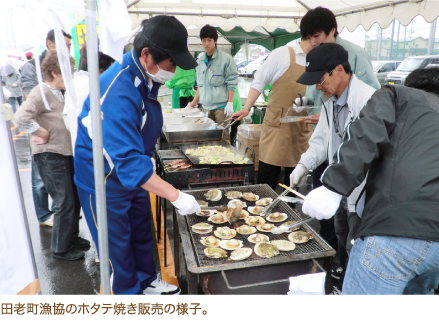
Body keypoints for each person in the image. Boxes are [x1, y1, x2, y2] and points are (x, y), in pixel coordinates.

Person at [74, 15, 201, 295]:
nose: (175, 69)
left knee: (142, 230)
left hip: (132, 170)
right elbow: (129, 164)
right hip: (104, 178)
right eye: (172, 63)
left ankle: (146, 280)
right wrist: (176, 196)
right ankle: (126, 296)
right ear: (147, 55)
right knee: (117, 246)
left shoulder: (145, 78)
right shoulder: (118, 89)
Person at [301, 68, 439, 294]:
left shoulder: (399, 95)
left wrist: (334, 187)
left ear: (412, 85)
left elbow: (368, 133)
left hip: (395, 231)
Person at [297, 6, 381, 272]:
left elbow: (367, 151)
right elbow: (322, 141)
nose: (318, 86)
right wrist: (302, 165)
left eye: (320, 79)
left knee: (358, 247)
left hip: (362, 190)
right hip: (341, 190)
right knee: (342, 239)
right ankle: (343, 281)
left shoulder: (367, 100)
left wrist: (338, 186)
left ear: (339, 71)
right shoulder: (330, 102)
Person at [14, 49, 89, 261]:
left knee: (73, 198)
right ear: (56, 72)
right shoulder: (41, 91)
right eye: (69, 71)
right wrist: (40, 131)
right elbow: (21, 117)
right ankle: (61, 248)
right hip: (50, 154)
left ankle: (71, 238)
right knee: (64, 200)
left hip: (64, 153)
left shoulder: (59, 92)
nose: (72, 75)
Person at [232, 39, 314, 190]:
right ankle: (261, 208)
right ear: (313, 35)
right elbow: (260, 81)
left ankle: (291, 210)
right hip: (277, 125)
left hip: (302, 127)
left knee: (294, 180)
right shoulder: (282, 54)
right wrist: (247, 107)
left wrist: (309, 102)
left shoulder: (318, 58)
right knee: (268, 176)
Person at [20, 29, 72, 227]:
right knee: (41, 178)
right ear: (50, 44)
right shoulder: (32, 68)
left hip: (60, 136)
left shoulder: (65, 66)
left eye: (68, 46)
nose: (67, 49)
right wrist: (39, 128)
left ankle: (61, 214)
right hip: (42, 134)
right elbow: (27, 106)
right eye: (64, 45)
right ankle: (44, 215)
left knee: (60, 185)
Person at [185, 24, 239, 143]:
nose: (206, 43)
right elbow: (201, 85)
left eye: (209, 40)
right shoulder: (200, 61)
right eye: (204, 40)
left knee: (223, 139)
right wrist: (193, 103)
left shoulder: (226, 59)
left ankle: (226, 161)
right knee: (206, 138)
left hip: (221, 109)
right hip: (205, 108)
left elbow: (232, 82)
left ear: (215, 41)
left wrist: (230, 103)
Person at [64, 41, 115, 151]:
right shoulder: (97, 86)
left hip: (79, 153)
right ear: (103, 67)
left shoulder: (72, 85)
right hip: (98, 157)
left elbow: (67, 121)